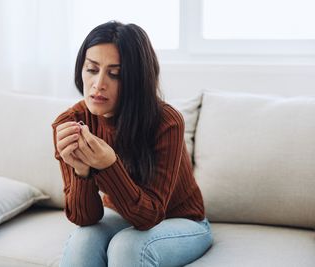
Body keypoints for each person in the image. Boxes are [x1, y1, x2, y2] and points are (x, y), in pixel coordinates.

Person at [52, 21, 213, 267]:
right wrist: (81, 171)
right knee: (83, 238)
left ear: (137, 79)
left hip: (183, 221)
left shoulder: (166, 122)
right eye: (92, 69)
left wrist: (109, 164)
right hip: (122, 215)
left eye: (115, 74)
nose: (98, 84)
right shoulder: (70, 123)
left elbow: (149, 216)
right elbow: (84, 218)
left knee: (127, 246)